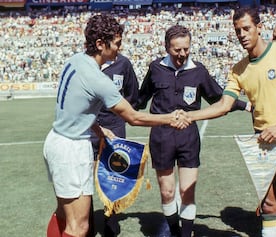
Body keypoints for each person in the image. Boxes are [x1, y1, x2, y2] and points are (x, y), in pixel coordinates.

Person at [43, 14, 190, 237]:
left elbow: (77, 108)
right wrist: (171, 118)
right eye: (117, 43)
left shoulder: (74, 60)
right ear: (101, 44)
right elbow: (133, 117)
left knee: (64, 217)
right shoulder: (98, 78)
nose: (119, 50)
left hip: (56, 141)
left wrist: (99, 130)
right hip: (71, 150)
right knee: (79, 227)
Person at [187, 7, 276, 237]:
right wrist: (189, 115)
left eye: (247, 28)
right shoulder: (239, 69)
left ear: (259, 28)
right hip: (263, 143)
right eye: (238, 31)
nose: (242, 35)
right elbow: (223, 105)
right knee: (268, 208)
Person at [135, 24, 250, 237]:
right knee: (167, 192)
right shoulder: (155, 68)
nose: (182, 54)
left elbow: (219, 98)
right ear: (166, 47)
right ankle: (174, 232)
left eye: (186, 49)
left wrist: (245, 106)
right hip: (161, 137)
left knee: (186, 192)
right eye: (177, 50)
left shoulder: (198, 70)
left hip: (188, 137)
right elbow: (140, 99)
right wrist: (114, 106)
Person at [88, 51, 139, 237]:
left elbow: (133, 94)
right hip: (90, 124)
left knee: (113, 175)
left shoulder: (124, 63)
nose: (118, 46)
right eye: (115, 41)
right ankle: (88, 220)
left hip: (115, 126)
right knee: (88, 176)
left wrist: (119, 115)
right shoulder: (88, 63)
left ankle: (111, 218)